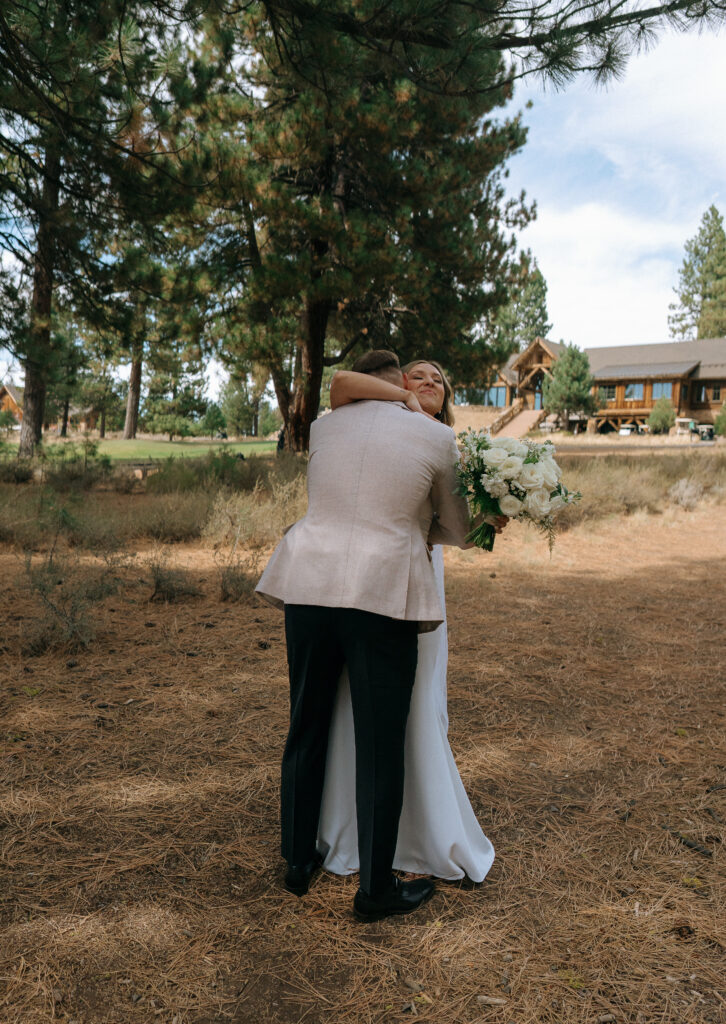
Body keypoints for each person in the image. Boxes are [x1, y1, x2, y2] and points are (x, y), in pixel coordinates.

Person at [255, 350, 482, 922]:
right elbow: (454, 528)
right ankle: (375, 888)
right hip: (381, 593)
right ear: (400, 385)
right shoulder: (436, 438)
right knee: (380, 741)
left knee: (305, 722)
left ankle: (298, 861)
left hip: (308, 583)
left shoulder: (325, 427)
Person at [317, 359, 496, 884]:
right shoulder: (381, 421)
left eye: (439, 378)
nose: (429, 382)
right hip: (369, 574)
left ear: (449, 398)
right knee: (364, 693)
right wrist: (405, 401)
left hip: (423, 569)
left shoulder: (450, 448)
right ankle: (356, 824)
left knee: (421, 695)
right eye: (417, 374)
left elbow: (453, 528)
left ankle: (423, 824)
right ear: (398, 385)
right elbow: (342, 385)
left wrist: (492, 517)